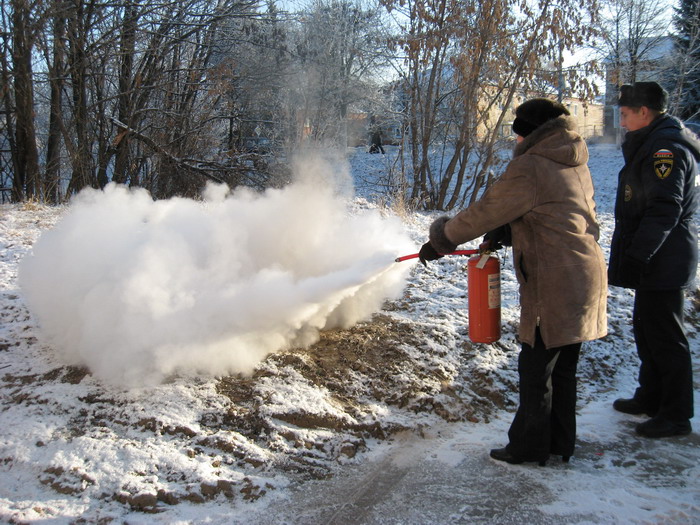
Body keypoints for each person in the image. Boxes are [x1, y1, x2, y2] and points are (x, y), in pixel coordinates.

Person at [419, 98, 608, 465]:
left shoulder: (531, 166)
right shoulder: (570, 157)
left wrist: (441, 240)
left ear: (526, 134)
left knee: (536, 369)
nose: (515, 142)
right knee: (562, 367)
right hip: (583, 273)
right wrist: (505, 232)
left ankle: (528, 446)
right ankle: (558, 443)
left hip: (554, 281)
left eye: (517, 135)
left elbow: (485, 210)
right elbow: (552, 209)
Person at [608, 82, 699, 438]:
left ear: (644, 112)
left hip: (665, 257)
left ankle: (676, 415)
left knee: (666, 336)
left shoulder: (665, 150)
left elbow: (665, 208)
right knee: (647, 329)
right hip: (657, 257)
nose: (623, 122)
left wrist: (639, 254)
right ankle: (651, 396)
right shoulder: (653, 142)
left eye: (627, 114)